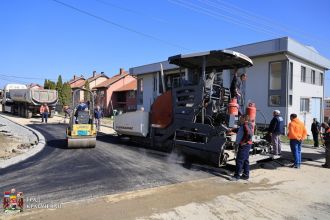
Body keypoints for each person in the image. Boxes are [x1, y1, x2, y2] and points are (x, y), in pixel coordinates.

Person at [231, 114, 253, 181]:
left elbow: (249, 134)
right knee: (245, 160)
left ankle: (236, 176)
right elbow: (241, 130)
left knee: (239, 160)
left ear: (244, 118)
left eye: (240, 118)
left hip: (244, 145)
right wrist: (232, 130)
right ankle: (246, 175)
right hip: (247, 145)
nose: (239, 119)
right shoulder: (246, 125)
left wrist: (243, 142)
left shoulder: (245, 125)